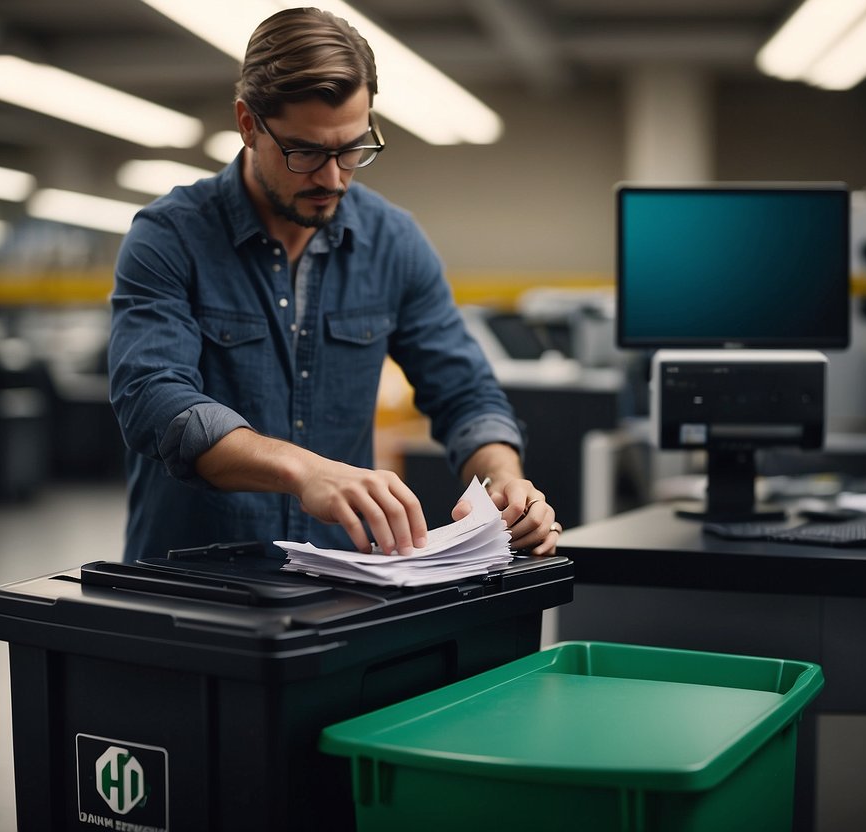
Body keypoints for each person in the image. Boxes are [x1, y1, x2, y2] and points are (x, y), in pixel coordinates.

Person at [108, 6, 560, 563]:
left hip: (338, 582)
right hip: (192, 585)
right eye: (305, 152)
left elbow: (465, 392)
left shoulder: (394, 241)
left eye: (352, 149)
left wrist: (505, 481)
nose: (332, 178)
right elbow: (155, 402)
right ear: (248, 124)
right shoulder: (169, 237)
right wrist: (305, 472)